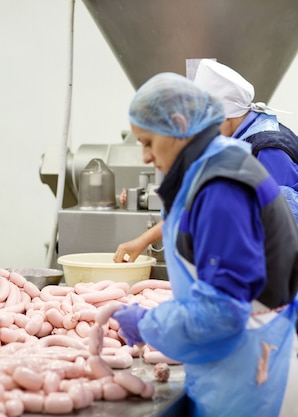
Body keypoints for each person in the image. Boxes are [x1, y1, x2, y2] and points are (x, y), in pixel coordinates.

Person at [112, 72, 298, 416]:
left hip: (253, 379)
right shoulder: (211, 167)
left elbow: (221, 312)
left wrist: (148, 323)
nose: (145, 157)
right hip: (235, 364)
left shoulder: (221, 188)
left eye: (148, 142)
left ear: (180, 126)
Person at [114, 59, 298, 263]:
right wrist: (143, 240)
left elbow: (281, 228)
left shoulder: (269, 148)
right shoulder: (233, 142)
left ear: (225, 117)